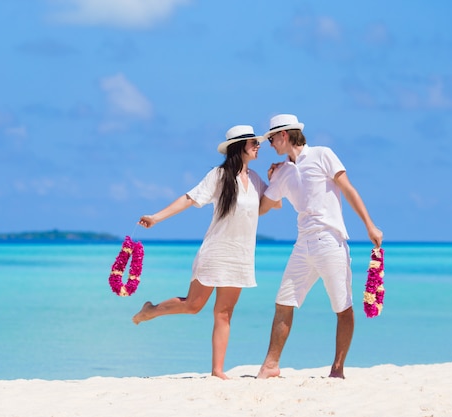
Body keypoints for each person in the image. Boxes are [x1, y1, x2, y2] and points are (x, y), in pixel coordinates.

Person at [133, 125, 274, 380]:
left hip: (241, 254)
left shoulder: (255, 179)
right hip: (216, 250)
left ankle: (217, 371)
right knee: (193, 305)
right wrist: (156, 217)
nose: (258, 146)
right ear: (239, 146)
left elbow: (265, 207)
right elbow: (190, 198)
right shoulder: (219, 176)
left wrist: (277, 181)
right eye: (254, 142)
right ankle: (150, 310)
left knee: (224, 313)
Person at [256, 114, 383, 379]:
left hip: (330, 241)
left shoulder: (323, 154)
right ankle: (270, 366)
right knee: (284, 301)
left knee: (342, 307)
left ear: (285, 135)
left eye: (271, 138)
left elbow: (347, 189)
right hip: (302, 244)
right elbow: (263, 209)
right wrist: (270, 182)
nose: (269, 144)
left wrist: (369, 225)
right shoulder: (281, 172)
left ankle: (337, 369)